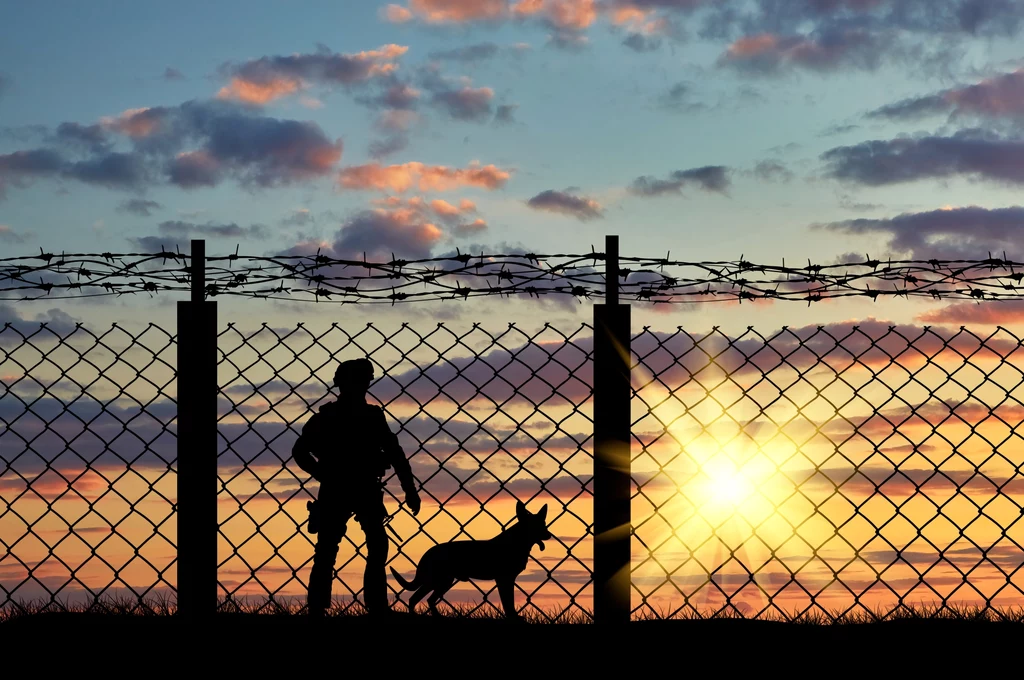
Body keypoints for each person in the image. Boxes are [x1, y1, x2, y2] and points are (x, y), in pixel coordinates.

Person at [292, 357, 421, 617]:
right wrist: (324, 474)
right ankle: (346, 607)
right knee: (337, 547)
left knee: (356, 545)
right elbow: (300, 451)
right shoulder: (335, 416)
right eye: (357, 380)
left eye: (362, 380)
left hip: (357, 487)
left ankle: (361, 607)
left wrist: (410, 490)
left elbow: (395, 453)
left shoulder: (365, 416)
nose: (359, 385)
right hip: (349, 488)